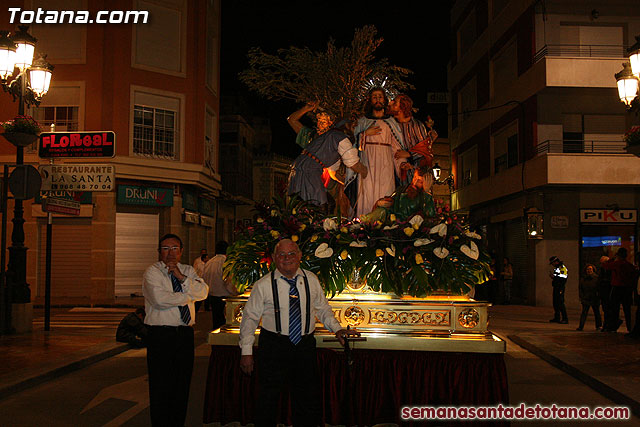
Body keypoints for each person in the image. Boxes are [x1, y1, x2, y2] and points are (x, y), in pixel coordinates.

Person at [239, 239, 359, 426]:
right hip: (274, 345)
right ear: (274, 258)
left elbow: (322, 309)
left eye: (291, 254)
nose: (287, 258)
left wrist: (336, 329)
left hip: (304, 345)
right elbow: (250, 318)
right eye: (281, 255)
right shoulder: (263, 285)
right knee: (268, 399)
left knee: (307, 398)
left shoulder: (311, 279)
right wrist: (246, 351)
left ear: (300, 256)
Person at [142, 233, 209, 427]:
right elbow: (159, 300)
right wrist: (189, 296)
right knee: (161, 386)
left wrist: (181, 278)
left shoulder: (188, 270)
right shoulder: (152, 272)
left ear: (181, 251)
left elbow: (203, 292)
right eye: (165, 248)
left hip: (184, 335)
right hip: (161, 335)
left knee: (182, 386)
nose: (170, 253)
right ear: (159, 252)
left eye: (174, 249)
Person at [287, 102, 368, 208]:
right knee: (317, 206)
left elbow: (333, 172)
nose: (320, 124)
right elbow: (353, 163)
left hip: (315, 175)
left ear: (330, 123)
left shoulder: (333, 137)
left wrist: (347, 183)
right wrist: (367, 175)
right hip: (309, 173)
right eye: (319, 121)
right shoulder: (330, 138)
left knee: (324, 205)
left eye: (324, 122)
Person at [352, 88, 405, 217]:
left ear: (385, 100)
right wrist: (364, 134)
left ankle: (385, 226)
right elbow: (353, 144)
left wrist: (402, 164)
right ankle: (364, 225)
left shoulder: (392, 122)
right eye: (374, 97)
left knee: (386, 192)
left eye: (380, 97)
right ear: (370, 100)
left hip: (386, 162)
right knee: (367, 192)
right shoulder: (363, 121)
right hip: (367, 161)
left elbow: (397, 148)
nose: (377, 100)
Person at [388, 94, 438, 185]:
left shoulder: (416, 126)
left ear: (401, 109)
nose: (391, 103)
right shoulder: (392, 125)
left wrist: (409, 154)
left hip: (412, 177)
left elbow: (424, 150)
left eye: (395, 103)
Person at [360, 165, 436, 223]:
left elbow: (430, 215)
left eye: (420, 181)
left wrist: (427, 193)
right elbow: (391, 199)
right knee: (381, 211)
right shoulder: (402, 189)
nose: (414, 182)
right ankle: (361, 223)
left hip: (410, 226)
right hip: (393, 221)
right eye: (414, 178)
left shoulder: (425, 197)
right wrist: (381, 203)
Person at [202, 240, 239, 330]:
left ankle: (215, 342)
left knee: (216, 322)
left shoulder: (209, 262)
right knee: (226, 324)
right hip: (225, 297)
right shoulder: (226, 262)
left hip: (212, 297)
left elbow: (204, 279)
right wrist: (236, 292)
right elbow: (228, 282)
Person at [601, 247, 636, 332]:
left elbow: (605, 265)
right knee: (627, 309)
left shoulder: (617, 264)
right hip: (627, 289)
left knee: (614, 309)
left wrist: (612, 258)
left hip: (617, 287)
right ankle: (629, 327)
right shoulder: (629, 265)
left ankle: (613, 326)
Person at [576, 264, 602, 331]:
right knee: (584, 313)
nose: (589, 270)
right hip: (586, 298)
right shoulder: (583, 279)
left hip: (594, 298)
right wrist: (582, 296)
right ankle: (581, 326)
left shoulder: (596, 278)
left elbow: (599, 288)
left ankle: (599, 326)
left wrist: (598, 296)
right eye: (588, 269)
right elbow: (580, 288)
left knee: (596, 312)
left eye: (590, 269)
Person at [549, 256, 569, 324]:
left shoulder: (562, 268)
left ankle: (565, 319)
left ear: (556, 262)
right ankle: (557, 318)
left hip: (560, 288)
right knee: (555, 303)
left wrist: (554, 277)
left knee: (560, 303)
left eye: (552, 263)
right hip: (556, 287)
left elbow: (563, 279)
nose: (552, 264)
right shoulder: (557, 268)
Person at [597, 256, 613, 332]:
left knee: (608, 310)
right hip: (604, 293)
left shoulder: (608, 270)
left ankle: (608, 325)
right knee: (605, 310)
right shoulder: (603, 270)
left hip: (607, 293)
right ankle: (606, 325)